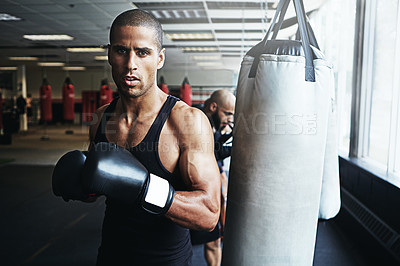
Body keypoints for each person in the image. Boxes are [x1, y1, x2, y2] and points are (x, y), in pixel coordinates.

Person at [52, 9, 221, 266]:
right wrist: (82, 185)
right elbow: (105, 185)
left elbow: (209, 214)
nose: (131, 63)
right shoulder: (101, 118)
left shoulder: (186, 122)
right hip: (110, 257)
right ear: (109, 54)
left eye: (143, 52)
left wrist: (145, 188)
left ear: (160, 58)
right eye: (121, 50)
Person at [190, 89, 235, 266]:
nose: (229, 119)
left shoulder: (210, 122)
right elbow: (212, 152)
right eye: (228, 113)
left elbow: (216, 152)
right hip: (190, 193)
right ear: (214, 106)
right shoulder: (195, 121)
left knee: (213, 242)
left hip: (203, 191)